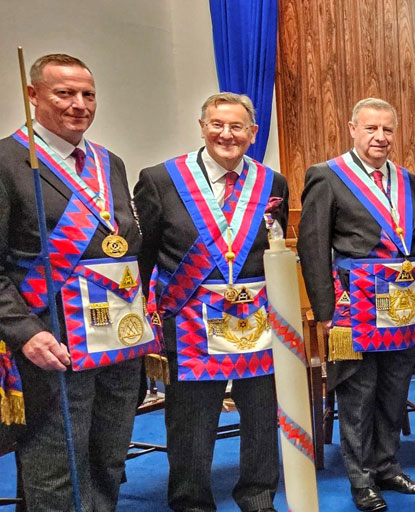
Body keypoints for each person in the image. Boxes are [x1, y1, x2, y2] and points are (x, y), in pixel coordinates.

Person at [0, 52, 157, 512]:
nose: (79, 104)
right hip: (54, 339)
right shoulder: (8, 160)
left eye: (88, 94)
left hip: (118, 338)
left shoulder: (110, 163)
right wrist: (24, 333)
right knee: (56, 465)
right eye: (64, 93)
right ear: (33, 96)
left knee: (109, 456)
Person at [134, 92, 289, 512]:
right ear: (202, 126)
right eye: (217, 124)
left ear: (253, 133)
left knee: (260, 413)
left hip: (255, 321)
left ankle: (258, 495)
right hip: (188, 323)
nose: (227, 134)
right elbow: (144, 254)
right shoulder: (161, 179)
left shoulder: (272, 183)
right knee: (191, 421)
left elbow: (274, 250)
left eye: (237, 126)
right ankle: (191, 500)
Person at [299, 98, 415, 512]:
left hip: (400, 303)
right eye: (371, 128)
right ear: (352, 128)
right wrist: (325, 313)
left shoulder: (406, 178)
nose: (380, 137)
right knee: (357, 394)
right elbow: (313, 246)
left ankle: (387, 466)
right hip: (351, 306)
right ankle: (360, 480)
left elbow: (410, 240)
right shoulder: (327, 175)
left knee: (394, 390)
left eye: (388, 129)